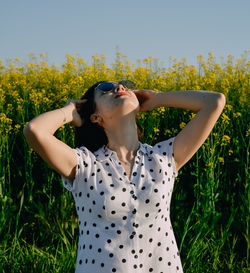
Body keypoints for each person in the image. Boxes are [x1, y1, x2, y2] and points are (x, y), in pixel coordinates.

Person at [23, 80, 226, 273]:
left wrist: (159, 98)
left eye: (125, 86)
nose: (119, 87)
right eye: (105, 88)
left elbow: (215, 102)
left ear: (138, 110)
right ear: (95, 116)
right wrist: (70, 112)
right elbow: (35, 130)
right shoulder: (85, 165)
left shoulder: (163, 158)